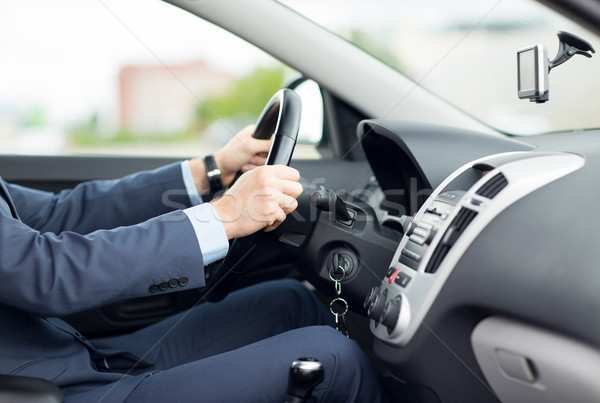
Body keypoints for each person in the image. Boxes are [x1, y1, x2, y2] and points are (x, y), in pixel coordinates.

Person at [0, 125, 389, 402]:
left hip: (69, 356)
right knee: (333, 361)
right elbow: (43, 272)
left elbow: (57, 214)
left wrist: (213, 168)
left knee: (289, 303)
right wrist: (224, 216)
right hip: (53, 389)